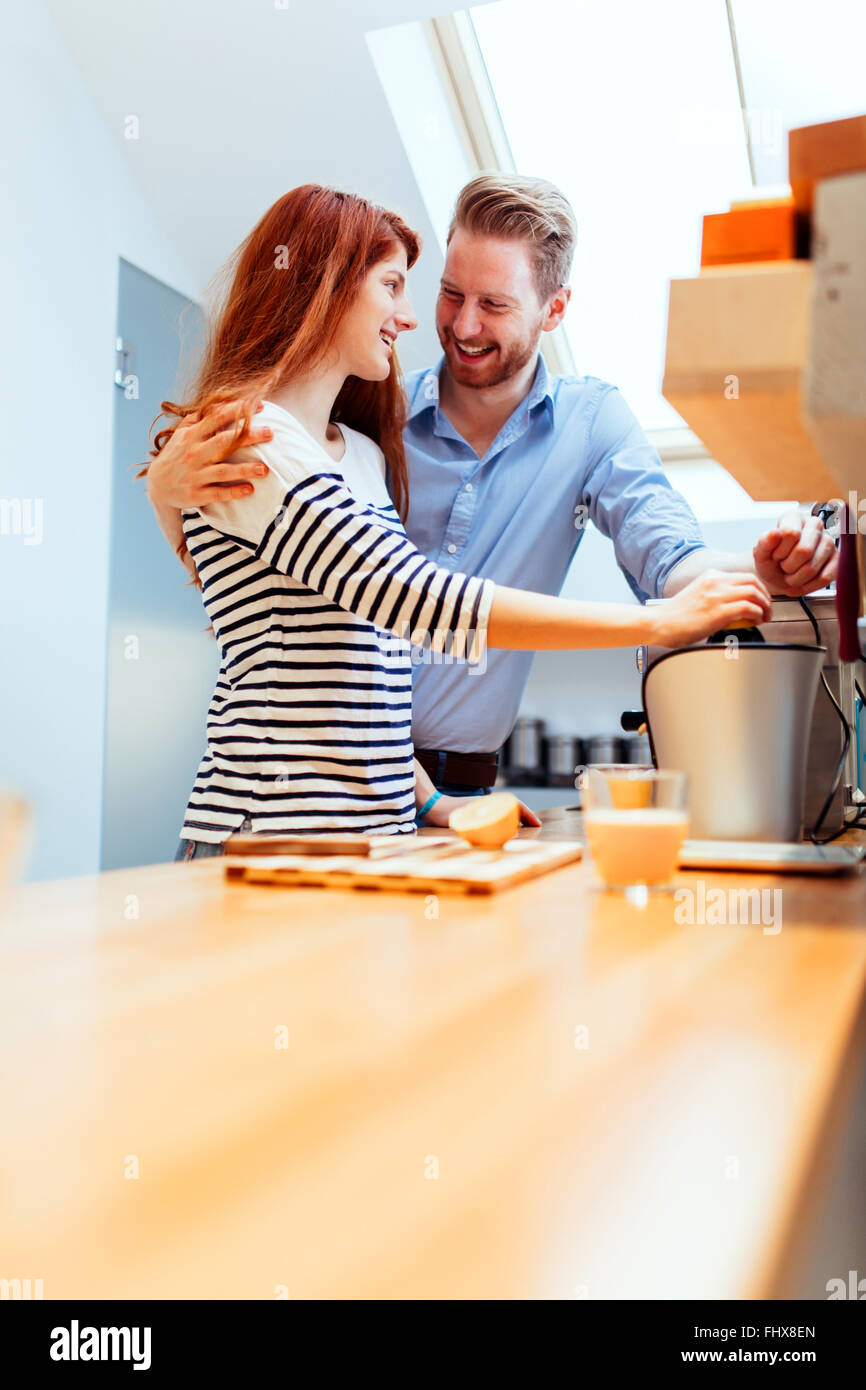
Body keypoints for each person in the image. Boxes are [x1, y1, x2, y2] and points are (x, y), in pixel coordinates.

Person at [147, 175, 836, 812]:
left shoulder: (569, 426)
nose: (453, 323)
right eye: (444, 292)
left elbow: (669, 552)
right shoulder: (345, 422)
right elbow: (400, 596)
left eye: (495, 305)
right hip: (286, 810)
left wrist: (757, 572)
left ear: (554, 309)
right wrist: (165, 492)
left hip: (406, 797)